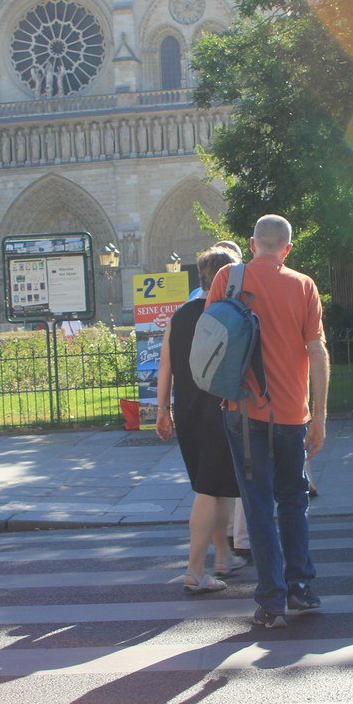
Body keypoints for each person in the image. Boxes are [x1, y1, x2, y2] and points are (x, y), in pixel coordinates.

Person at [206, 215, 328, 628]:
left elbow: (210, 336)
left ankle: (271, 598)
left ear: (253, 243)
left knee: (257, 503)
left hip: (242, 411)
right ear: (287, 248)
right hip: (293, 412)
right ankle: (302, 587)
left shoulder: (228, 277)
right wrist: (320, 416)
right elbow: (318, 353)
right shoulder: (304, 285)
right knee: (294, 499)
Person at [157, 245, 246, 594]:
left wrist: (162, 409)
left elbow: (165, 364)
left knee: (218, 486)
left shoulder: (181, 314)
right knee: (209, 490)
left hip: (188, 409)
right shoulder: (230, 312)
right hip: (219, 409)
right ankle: (195, 569)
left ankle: (223, 555)